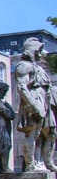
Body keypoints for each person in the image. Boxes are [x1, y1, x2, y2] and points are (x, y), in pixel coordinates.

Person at [14, 37, 56, 172]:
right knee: (33, 133)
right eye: (37, 50)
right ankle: (31, 164)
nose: (40, 53)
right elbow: (22, 87)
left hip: (46, 102)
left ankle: (47, 163)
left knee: (51, 133)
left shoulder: (38, 67)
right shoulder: (23, 66)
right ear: (31, 50)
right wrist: (33, 105)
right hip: (34, 101)